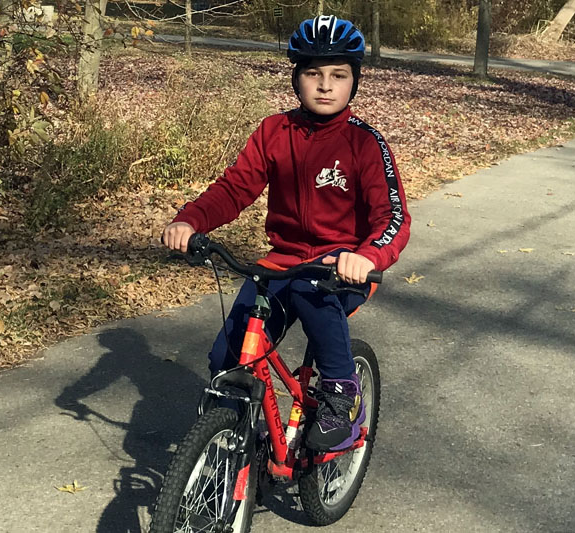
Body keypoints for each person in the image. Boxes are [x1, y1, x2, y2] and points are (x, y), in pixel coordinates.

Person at [161, 15, 410, 452]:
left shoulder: (364, 143)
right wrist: (191, 220)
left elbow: (392, 216)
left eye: (338, 75)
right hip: (282, 261)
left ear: (355, 81)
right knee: (228, 358)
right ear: (297, 79)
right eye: (313, 73)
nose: (325, 85)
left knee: (308, 288)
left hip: (340, 269)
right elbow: (234, 188)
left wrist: (368, 255)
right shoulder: (275, 132)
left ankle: (340, 395)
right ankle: (239, 442)